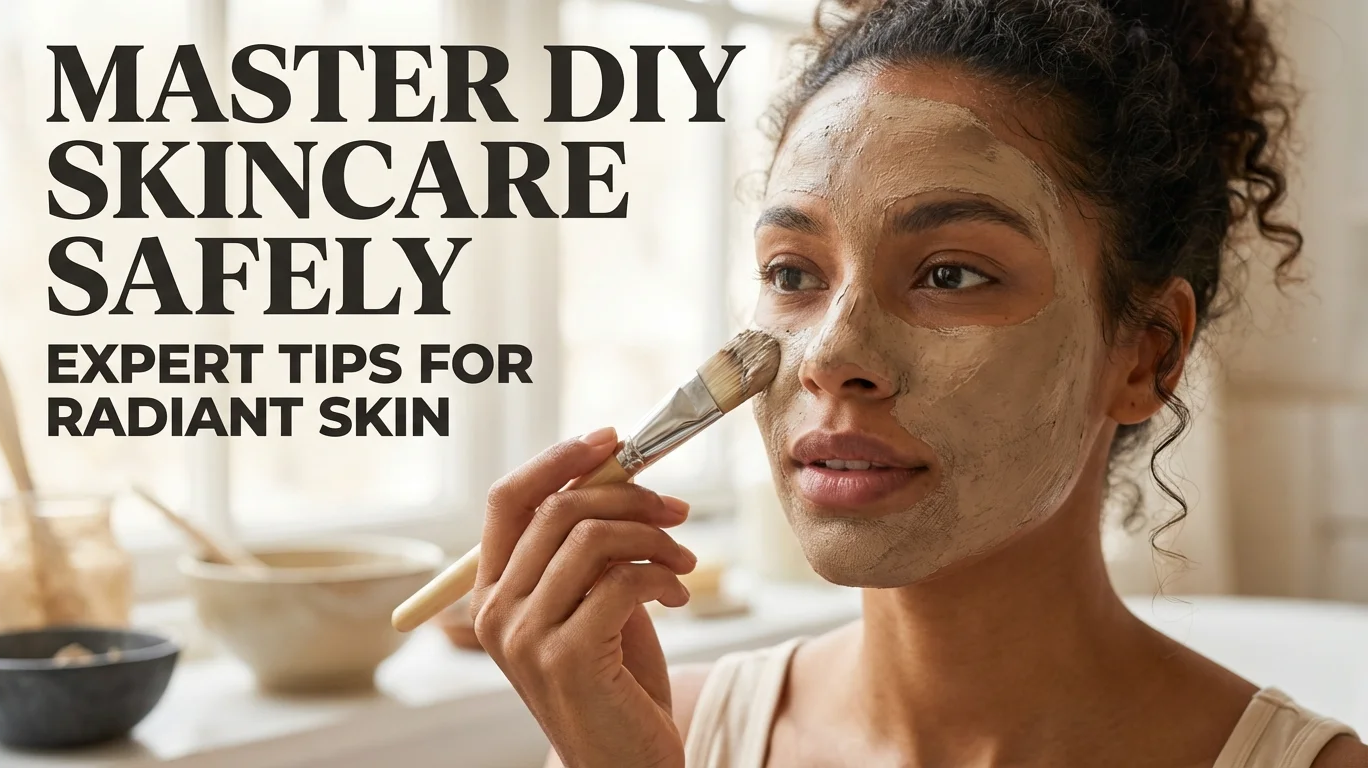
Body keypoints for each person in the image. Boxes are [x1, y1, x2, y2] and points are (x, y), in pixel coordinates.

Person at [468, 1, 1368, 766]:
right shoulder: (655, 734)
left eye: (950, 274)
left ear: (1146, 356)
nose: (829, 354)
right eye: (792, 274)